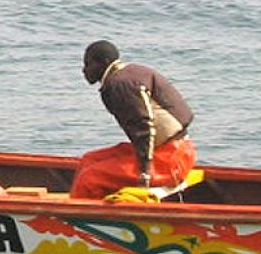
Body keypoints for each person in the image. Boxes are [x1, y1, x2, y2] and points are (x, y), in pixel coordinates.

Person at [71, 40, 196, 199]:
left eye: (88, 64)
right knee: (89, 160)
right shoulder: (129, 73)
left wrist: (144, 172)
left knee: (89, 178)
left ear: (105, 63)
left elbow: (144, 129)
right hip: (175, 151)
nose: (84, 70)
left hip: (169, 159)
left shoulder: (120, 85)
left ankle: (81, 218)